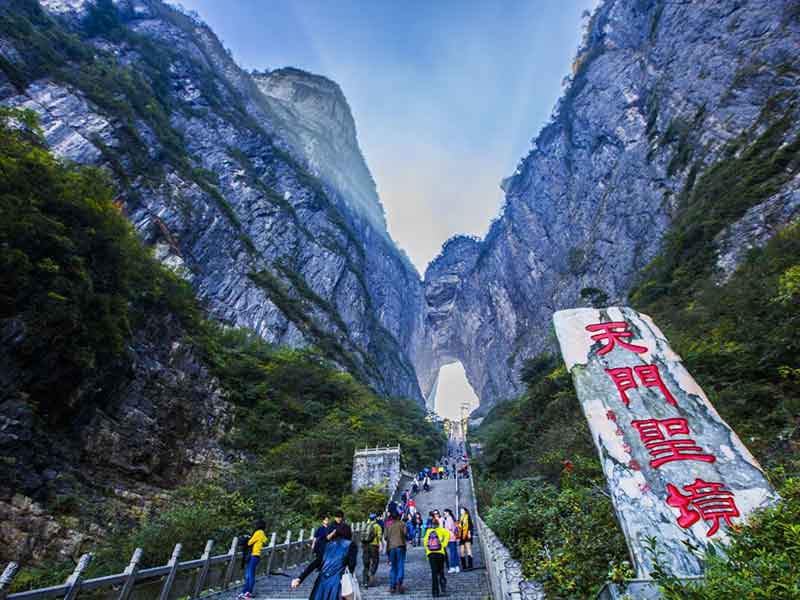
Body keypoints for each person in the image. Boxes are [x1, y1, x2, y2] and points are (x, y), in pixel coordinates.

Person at [292, 512, 358, 600]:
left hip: (322, 582)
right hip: (337, 583)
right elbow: (351, 565)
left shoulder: (327, 545)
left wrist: (300, 578)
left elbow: (315, 563)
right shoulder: (351, 545)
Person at [238, 519, 267, 600]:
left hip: (254, 555)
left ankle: (248, 592)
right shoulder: (262, 533)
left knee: (249, 575)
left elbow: (249, 542)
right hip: (255, 556)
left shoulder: (258, 532)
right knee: (249, 575)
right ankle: (244, 592)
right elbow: (265, 540)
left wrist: (248, 538)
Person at [423, 515, 450, 597]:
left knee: (434, 572)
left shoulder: (428, 532)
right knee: (441, 570)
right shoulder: (441, 530)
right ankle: (443, 584)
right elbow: (448, 534)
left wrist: (428, 553)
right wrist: (443, 544)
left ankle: (435, 592)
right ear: (438, 524)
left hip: (431, 554)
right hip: (440, 553)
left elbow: (425, 543)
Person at [384, 510, 407, 593]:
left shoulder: (388, 524)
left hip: (391, 547)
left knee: (393, 566)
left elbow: (385, 537)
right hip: (400, 546)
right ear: (398, 516)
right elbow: (405, 534)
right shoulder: (402, 524)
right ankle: (399, 582)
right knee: (400, 564)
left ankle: (392, 585)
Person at [362, 513, 381, 588]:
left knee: (366, 564)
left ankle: (365, 582)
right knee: (375, 561)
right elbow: (379, 536)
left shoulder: (365, 525)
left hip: (365, 546)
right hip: (374, 546)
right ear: (375, 518)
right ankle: (371, 572)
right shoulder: (377, 526)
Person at [442, 509, 460, 573]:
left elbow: (449, 528)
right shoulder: (451, 518)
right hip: (453, 537)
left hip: (450, 537)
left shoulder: (448, 519)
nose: (444, 514)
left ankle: (453, 567)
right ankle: (457, 566)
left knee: (452, 553)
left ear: (448, 513)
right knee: (454, 552)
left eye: (445, 513)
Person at [459, 507, 474, 571]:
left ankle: (470, 565)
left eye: (462, 510)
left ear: (465, 511)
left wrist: (469, 532)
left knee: (468, 549)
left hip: (467, 535)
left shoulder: (467, 517)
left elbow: (471, 526)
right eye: (460, 511)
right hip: (461, 536)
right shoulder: (461, 518)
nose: (461, 512)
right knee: (461, 551)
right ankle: (464, 566)